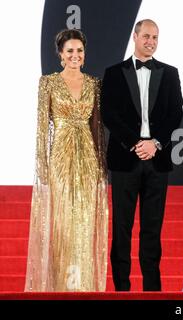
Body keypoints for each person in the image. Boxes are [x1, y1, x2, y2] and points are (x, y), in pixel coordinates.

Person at [101, 19, 183, 291]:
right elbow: (109, 114)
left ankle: (152, 290)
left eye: (155, 37)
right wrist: (135, 143)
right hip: (126, 159)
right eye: (146, 36)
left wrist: (155, 143)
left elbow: (175, 113)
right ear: (135, 36)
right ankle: (121, 289)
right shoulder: (114, 72)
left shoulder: (170, 73)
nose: (151, 41)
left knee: (152, 230)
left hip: (157, 161)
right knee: (121, 229)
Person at [25, 29, 109, 292]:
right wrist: (42, 164)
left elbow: (97, 127)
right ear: (61, 54)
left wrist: (102, 166)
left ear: (84, 54)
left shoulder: (94, 83)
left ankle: (83, 286)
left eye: (79, 50)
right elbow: (41, 127)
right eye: (70, 51)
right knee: (63, 223)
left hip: (87, 156)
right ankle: (62, 286)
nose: (75, 55)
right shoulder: (47, 83)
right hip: (60, 156)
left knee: (84, 221)